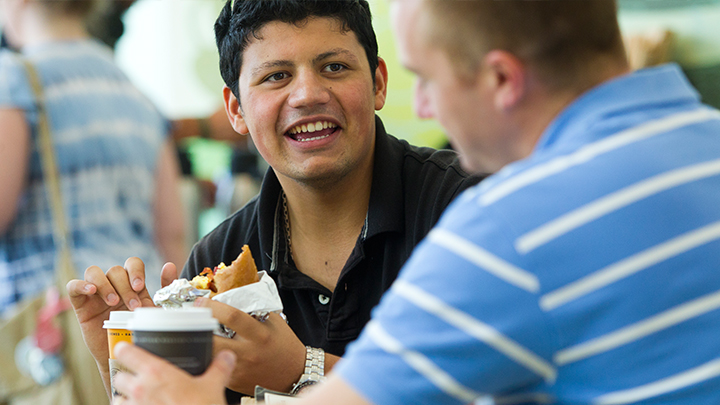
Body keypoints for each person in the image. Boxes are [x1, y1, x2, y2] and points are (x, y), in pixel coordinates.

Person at [108, 0, 720, 404]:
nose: (424, 108)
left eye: (425, 77)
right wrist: (122, 352)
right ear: (236, 106)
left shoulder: (501, 226)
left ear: (502, 80)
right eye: (275, 76)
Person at [66, 0, 483, 401]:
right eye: (276, 76)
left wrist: (301, 370)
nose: (307, 95)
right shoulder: (215, 263)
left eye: (334, 67)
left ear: (378, 83)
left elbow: (496, 389)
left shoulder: (467, 209)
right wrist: (122, 367)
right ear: (236, 111)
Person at [0, 0, 186, 315]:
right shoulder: (133, 91)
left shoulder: (13, 80)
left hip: (55, 325)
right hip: (142, 312)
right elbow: (172, 233)